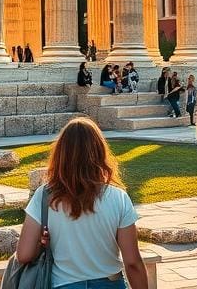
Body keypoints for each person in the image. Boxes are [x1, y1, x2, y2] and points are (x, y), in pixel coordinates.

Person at [15, 117, 149, 289]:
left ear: (60, 154)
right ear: (100, 151)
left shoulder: (45, 196)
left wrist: (41, 244)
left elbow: (24, 255)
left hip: (64, 284)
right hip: (109, 283)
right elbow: (132, 262)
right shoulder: (118, 198)